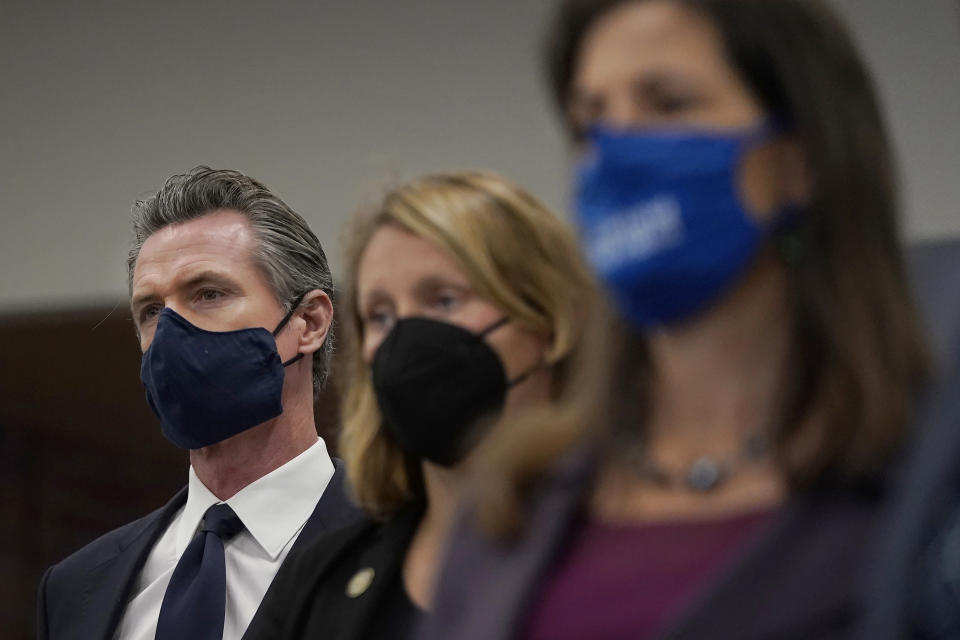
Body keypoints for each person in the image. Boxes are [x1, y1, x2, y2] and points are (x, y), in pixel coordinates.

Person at [422, 1, 931, 639]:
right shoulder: (517, 495)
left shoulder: (926, 489)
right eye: (592, 120)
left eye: (667, 104)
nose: (614, 150)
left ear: (797, 162)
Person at [243, 171, 596, 640]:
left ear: (548, 322)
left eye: (445, 300)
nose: (405, 340)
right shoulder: (321, 576)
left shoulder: (635, 541)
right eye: (381, 316)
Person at [36, 167, 362, 640]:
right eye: (151, 311)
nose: (171, 333)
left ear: (308, 322)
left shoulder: (411, 543)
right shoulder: (74, 588)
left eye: (208, 294)